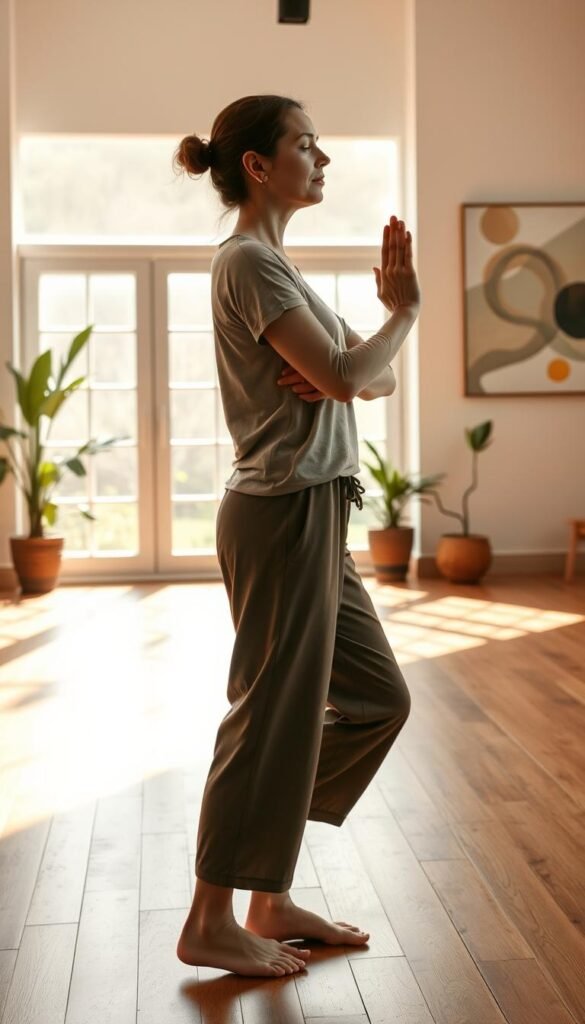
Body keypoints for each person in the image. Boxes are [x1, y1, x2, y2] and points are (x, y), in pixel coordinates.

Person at [172, 95, 421, 979]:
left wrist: (355, 367)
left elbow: (364, 381)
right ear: (257, 164)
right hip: (282, 512)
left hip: (321, 508)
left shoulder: (277, 264)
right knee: (268, 714)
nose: (322, 159)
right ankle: (212, 917)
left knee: (377, 699)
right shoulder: (250, 263)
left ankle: (267, 892)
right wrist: (402, 312)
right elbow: (359, 371)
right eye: (306, 145)